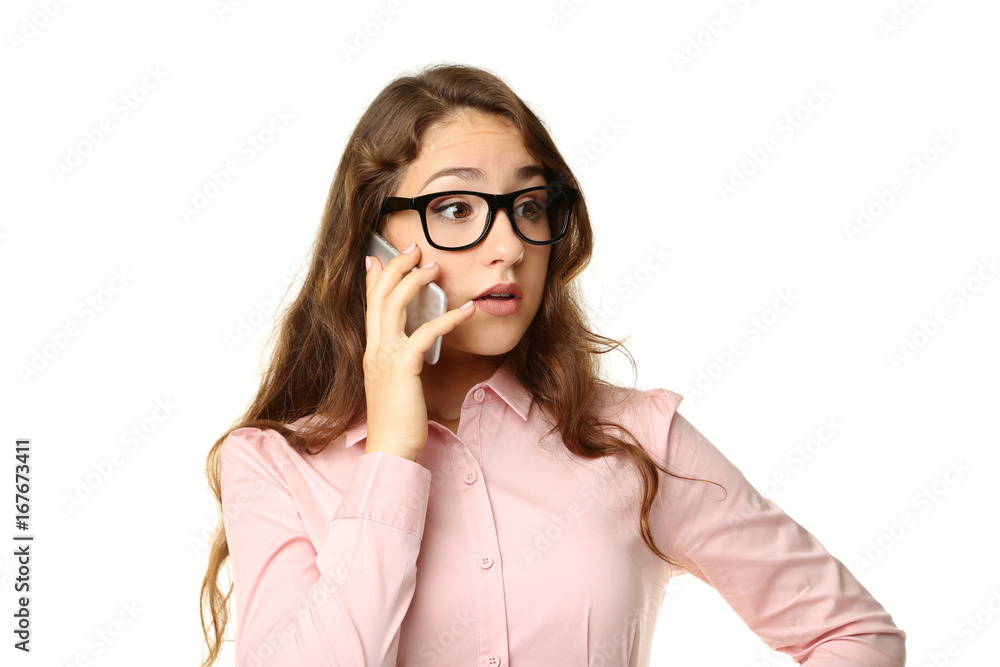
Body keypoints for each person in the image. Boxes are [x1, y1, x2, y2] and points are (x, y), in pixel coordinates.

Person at [199, 63, 906, 667]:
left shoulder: (635, 438)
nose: (507, 244)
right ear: (373, 237)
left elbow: (854, 634)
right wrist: (390, 451)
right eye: (455, 206)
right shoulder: (270, 464)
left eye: (530, 205)